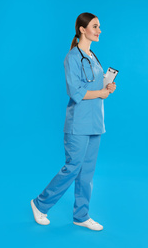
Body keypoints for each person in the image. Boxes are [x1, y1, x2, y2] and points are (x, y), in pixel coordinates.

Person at [30, 12, 116, 231]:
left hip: (96, 122)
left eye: (99, 27)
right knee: (72, 168)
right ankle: (40, 204)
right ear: (82, 29)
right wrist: (99, 93)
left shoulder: (94, 56)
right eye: (95, 27)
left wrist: (106, 87)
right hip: (78, 124)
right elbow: (75, 92)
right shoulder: (72, 57)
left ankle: (81, 215)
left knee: (87, 173)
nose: (99, 31)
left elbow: (94, 88)